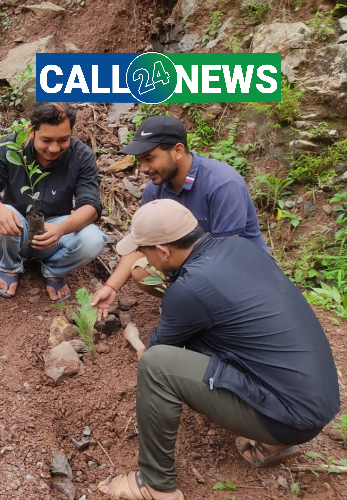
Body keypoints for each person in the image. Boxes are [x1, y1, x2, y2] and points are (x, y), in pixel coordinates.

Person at [97, 199, 340, 500]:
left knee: (157, 367)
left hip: (288, 418)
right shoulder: (242, 248)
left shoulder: (188, 290)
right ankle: (273, 442)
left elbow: (156, 353)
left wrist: (144, 349)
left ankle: (155, 485)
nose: (143, 258)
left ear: (162, 251)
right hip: (320, 400)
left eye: (143, 252)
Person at [91, 114, 268, 317]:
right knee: (141, 272)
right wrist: (111, 287)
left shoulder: (222, 184)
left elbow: (225, 256)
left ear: (177, 151)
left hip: (239, 272)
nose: (143, 169)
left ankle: (214, 312)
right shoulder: (153, 190)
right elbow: (141, 243)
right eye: (140, 161)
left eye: (150, 159)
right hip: (195, 269)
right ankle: (193, 306)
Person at [0, 102, 106, 302]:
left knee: (94, 239)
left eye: (63, 140)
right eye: (46, 140)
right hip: (16, 230)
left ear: (71, 132)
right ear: (31, 131)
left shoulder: (82, 155)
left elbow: (91, 204)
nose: (54, 148)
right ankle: (10, 266)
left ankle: (54, 269)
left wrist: (61, 228)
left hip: (56, 234)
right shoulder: (11, 148)